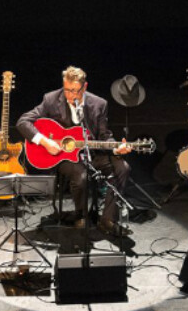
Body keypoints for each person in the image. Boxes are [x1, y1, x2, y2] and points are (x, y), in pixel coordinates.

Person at [17, 65, 132, 236]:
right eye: (67, 90)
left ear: (84, 87)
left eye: (75, 91)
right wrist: (45, 141)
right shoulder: (50, 99)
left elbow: (104, 136)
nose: (70, 96)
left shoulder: (99, 104)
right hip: (63, 156)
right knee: (81, 176)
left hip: (91, 154)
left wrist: (117, 148)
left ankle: (107, 219)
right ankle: (81, 214)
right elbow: (23, 122)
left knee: (122, 167)